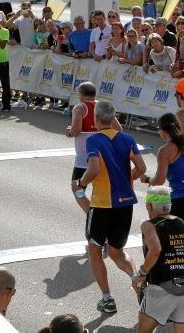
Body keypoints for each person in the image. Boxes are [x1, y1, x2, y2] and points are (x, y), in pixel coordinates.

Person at [71, 101, 146, 313]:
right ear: (114, 118)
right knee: (117, 251)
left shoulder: (94, 140)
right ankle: (135, 278)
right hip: (125, 204)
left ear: (96, 120)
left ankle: (107, 298)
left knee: (95, 250)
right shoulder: (127, 138)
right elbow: (141, 167)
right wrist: (126, 180)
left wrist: (82, 184)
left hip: (102, 203)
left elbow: (93, 169)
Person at [132, 185, 184, 333]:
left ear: (149, 206)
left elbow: (155, 250)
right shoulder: (183, 224)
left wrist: (141, 273)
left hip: (160, 288)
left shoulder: (149, 225)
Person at [66, 82, 121, 214]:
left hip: (84, 157)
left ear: (81, 95)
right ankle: (99, 213)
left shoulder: (79, 108)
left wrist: (68, 132)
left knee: (77, 189)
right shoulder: (103, 107)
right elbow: (119, 129)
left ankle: (90, 213)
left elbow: (76, 130)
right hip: (103, 156)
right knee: (98, 188)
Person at [140, 113, 184, 229]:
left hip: (179, 199)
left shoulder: (165, 150)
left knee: (153, 192)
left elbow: (159, 181)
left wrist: (146, 179)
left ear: (163, 131)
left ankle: (155, 229)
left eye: (158, 129)